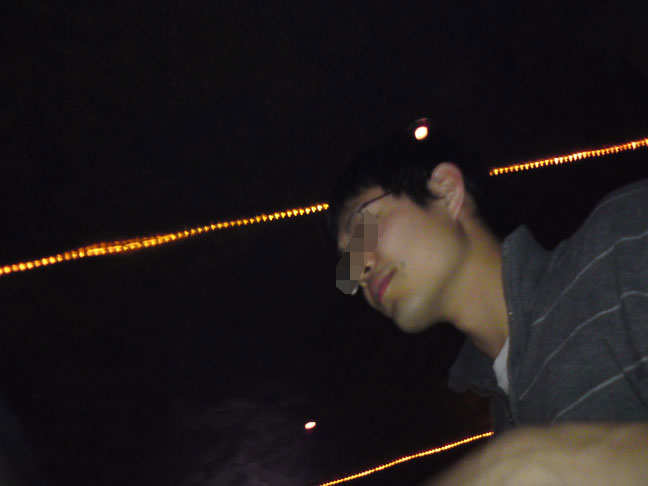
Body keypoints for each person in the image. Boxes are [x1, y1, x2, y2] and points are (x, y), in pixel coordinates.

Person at [330, 129, 648, 484]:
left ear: (446, 190)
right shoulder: (501, 410)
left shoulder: (622, 241)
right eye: (348, 264)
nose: (359, 270)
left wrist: (533, 464)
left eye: (362, 230)